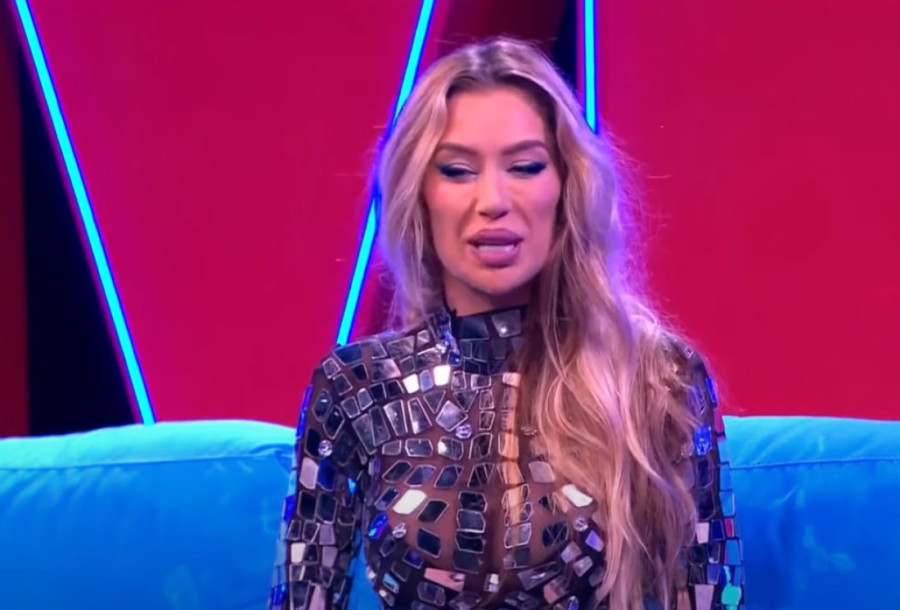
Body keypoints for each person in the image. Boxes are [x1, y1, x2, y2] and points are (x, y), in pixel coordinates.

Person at [269, 37, 744, 610]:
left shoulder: (657, 378)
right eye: (457, 170)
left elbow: (710, 596)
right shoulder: (355, 389)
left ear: (567, 186)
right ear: (419, 194)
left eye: (524, 167)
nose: (492, 200)